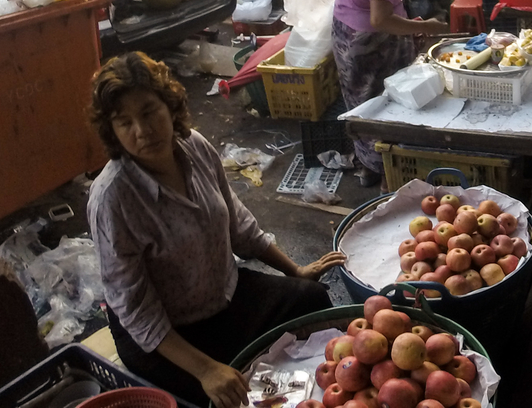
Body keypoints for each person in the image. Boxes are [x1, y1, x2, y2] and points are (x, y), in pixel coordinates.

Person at [87, 53, 345, 408]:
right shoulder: (112, 199)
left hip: (224, 299)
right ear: (112, 131)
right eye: (124, 122)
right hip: (168, 336)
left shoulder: (194, 146)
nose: (142, 131)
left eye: (149, 112)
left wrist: (296, 271)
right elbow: (137, 313)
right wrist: (206, 370)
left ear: (169, 105)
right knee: (231, 397)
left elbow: (239, 226)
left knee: (311, 300)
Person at [332, 0, 444, 186]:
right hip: (371, 45)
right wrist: (424, 26)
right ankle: (388, 173)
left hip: (344, 37)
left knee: (360, 105)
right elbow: (380, 19)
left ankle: (368, 168)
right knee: (386, 107)